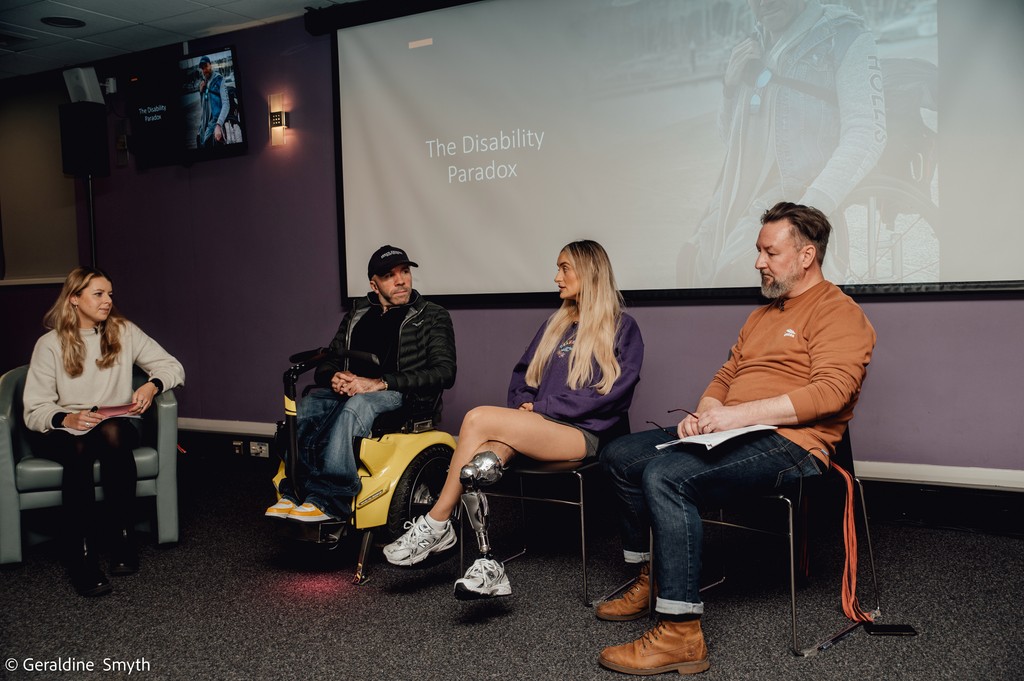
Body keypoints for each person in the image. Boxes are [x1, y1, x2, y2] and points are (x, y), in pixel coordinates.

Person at [598, 202, 875, 675]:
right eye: (758, 250)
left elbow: (832, 392)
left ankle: (681, 632)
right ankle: (655, 576)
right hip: (733, 429)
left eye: (770, 252)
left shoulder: (839, 313)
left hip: (793, 443)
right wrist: (707, 413)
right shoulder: (760, 316)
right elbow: (727, 373)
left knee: (667, 476)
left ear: (807, 255)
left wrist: (737, 416)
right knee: (621, 455)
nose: (758, 262)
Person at [382, 240, 644, 600]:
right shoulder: (556, 324)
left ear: (588, 272)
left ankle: (438, 521)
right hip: (540, 425)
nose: (556, 277)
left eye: (564, 268)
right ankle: (488, 565)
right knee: (477, 467)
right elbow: (522, 377)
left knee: (475, 419)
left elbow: (614, 393)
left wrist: (543, 408)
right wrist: (525, 406)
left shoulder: (622, 327)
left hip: (584, 434)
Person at [679, 0, 886, 287]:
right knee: (691, 262)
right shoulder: (754, 43)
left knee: (735, 271)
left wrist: (810, 211)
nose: (765, 2)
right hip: (741, 197)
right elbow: (731, 140)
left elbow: (867, 133)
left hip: (796, 195)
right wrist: (729, 87)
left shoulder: (845, 36)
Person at [22, 267, 185, 597]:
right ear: (74, 299)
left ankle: (122, 538)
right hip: (68, 430)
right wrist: (65, 420)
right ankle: (81, 554)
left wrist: (152, 386)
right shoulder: (49, 344)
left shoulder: (123, 332)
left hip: (114, 426)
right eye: (98, 294)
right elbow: (34, 408)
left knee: (110, 431)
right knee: (81, 445)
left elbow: (172, 366)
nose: (108, 300)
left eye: (110, 293)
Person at [266, 245, 456, 524]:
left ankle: (330, 499)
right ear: (374, 284)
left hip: (399, 395)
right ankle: (296, 492)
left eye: (405, 272)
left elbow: (444, 372)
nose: (401, 280)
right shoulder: (357, 313)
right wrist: (333, 377)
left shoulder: (431, 315)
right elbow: (330, 359)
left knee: (357, 406)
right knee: (304, 409)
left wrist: (381, 383)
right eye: (390, 275)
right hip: (351, 391)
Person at [196, 55, 229, 148]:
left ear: (210, 65)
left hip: (215, 123)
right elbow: (203, 107)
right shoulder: (204, 82)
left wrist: (219, 125)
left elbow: (226, 104)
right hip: (205, 125)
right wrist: (201, 92)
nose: (204, 70)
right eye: (202, 68)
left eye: (206, 66)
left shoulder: (219, 80)